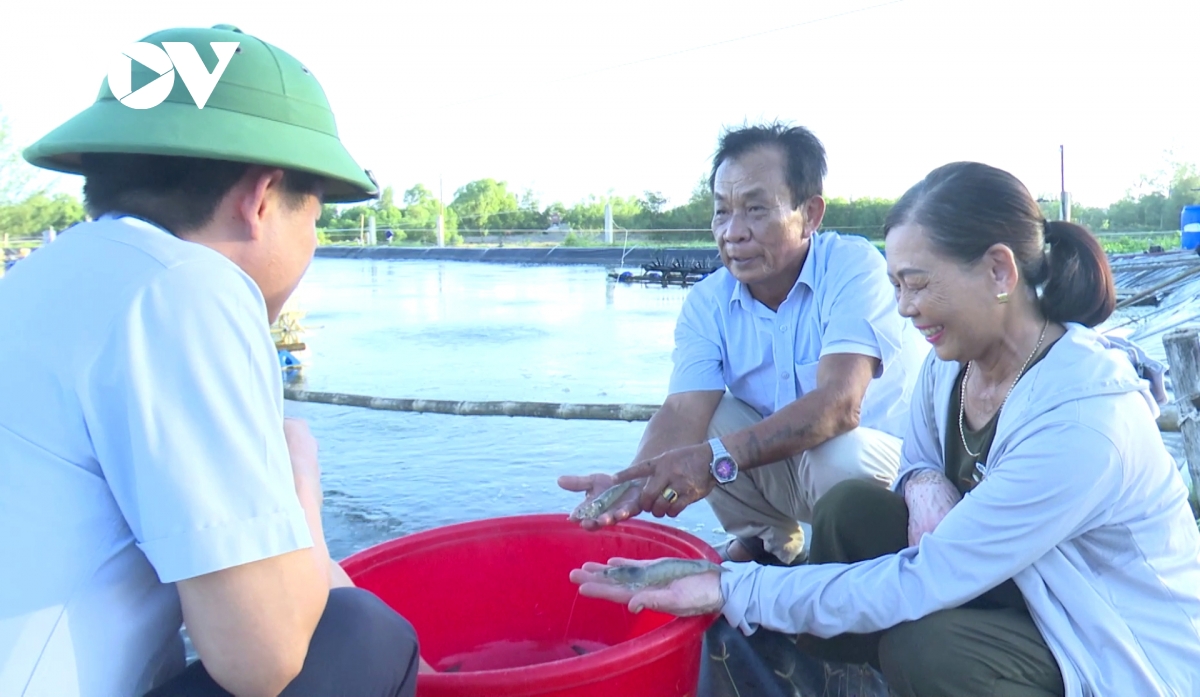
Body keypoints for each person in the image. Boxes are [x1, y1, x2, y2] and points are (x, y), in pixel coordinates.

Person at [570, 161, 1200, 697]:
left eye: (917, 283)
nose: (902, 307)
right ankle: (845, 668)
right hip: (1028, 585)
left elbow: (928, 575)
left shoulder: (1084, 420)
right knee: (849, 512)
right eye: (896, 283)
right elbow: (914, 451)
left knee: (926, 646)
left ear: (1000, 273)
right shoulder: (951, 367)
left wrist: (730, 588)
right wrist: (923, 478)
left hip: (1108, 640)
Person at [0, 24, 426, 697]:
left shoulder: (37, 281)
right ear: (262, 198)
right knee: (369, 634)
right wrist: (300, 479)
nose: (313, 242)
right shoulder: (186, 286)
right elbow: (263, 657)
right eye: (315, 218)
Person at [559, 123, 929, 565]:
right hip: (796, 469)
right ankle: (769, 545)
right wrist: (632, 484)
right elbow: (682, 412)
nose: (733, 233)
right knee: (712, 417)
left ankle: (850, 556)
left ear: (810, 214)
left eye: (755, 209)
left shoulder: (855, 268)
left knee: (837, 452)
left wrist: (712, 462)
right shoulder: (707, 301)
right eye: (721, 212)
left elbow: (838, 406)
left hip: (888, 477)